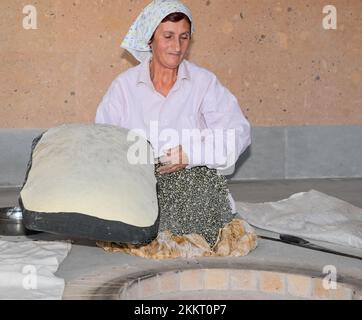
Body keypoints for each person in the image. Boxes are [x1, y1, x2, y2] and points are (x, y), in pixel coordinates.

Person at [95, 0, 251, 246]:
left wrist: (191, 154)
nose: (177, 47)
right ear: (150, 39)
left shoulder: (204, 83)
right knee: (129, 222)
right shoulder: (124, 87)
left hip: (195, 187)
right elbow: (103, 141)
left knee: (190, 232)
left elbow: (237, 133)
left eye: (184, 37)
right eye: (168, 36)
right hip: (140, 188)